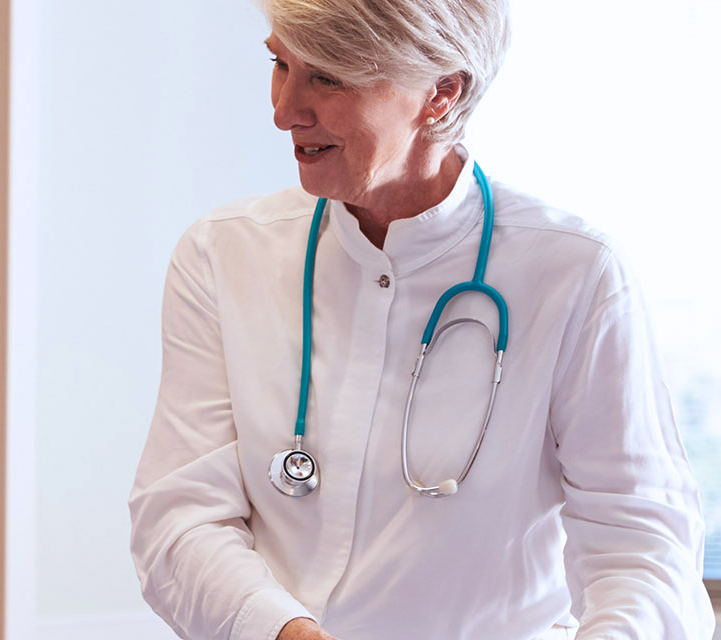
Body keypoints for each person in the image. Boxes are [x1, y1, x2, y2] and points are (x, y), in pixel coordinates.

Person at [127, 1, 712, 639]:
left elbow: (641, 550)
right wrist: (284, 631)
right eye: (281, 65)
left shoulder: (575, 274)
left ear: (441, 92)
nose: (283, 111)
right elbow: (179, 516)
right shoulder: (224, 254)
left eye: (328, 77)